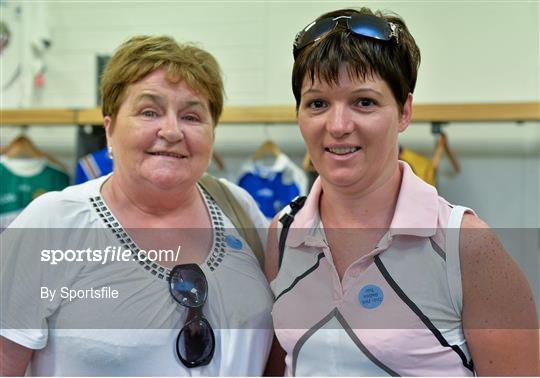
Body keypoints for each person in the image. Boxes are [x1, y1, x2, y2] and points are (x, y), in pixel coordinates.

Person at [265, 7, 539, 376]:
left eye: (364, 102)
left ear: (404, 111)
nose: (338, 125)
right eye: (317, 103)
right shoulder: (283, 234)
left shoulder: (465, 246)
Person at [1, 35, 273, 376]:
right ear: (110, 130)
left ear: (212, 134)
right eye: (149, 112)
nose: (172, 130)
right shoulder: (53, 223)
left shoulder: (239, 208)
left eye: (192, 116)